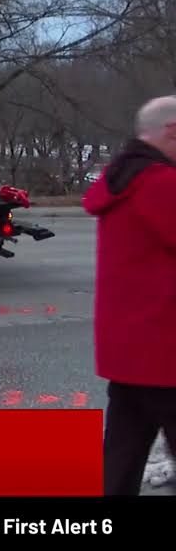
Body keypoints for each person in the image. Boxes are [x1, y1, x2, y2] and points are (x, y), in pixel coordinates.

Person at [83, 95, 176, 496]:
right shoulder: (161, 184)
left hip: (127, 351)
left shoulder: (120, 181)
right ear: (172, 132)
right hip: (165, 349)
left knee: (121, 460)